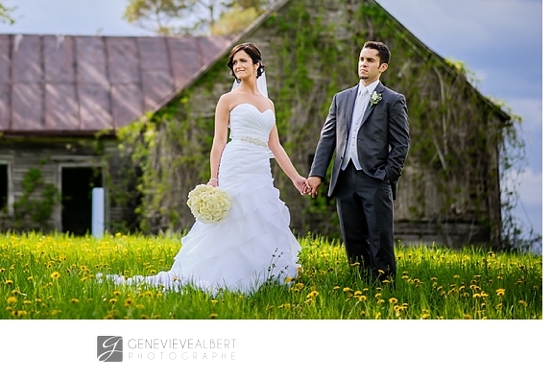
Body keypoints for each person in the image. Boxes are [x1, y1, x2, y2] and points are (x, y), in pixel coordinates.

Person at [107, 42, 308, 294]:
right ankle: (218, 274)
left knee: (259, 213)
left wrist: (296, 178)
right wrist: (214, 178)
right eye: (234, 63)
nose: (238, 66)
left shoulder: (268, 104)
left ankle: (257, 274)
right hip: (235, 162)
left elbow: (275, 145)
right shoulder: (228, 99)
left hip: (259, 167)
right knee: (234, 214)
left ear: (257, 65)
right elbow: (219, 140)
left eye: (243, 61)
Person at [306, 40, 410, 284]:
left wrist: (387, 174)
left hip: (375, 178)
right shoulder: (340, 99)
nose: (363, 64)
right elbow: (327, 139)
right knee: (353, 240)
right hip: (344, 178)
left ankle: (384, 291)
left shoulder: (392, 100)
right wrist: (317, 174)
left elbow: (401, 142)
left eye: (370, 60)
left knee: (379, 238)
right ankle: (360, 288)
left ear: (382, 67)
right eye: (362, 59)